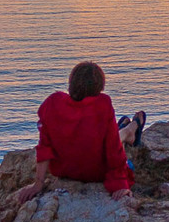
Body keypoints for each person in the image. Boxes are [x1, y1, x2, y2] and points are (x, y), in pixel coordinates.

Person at [13, 63, 138, 206]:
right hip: (97, 173)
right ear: (99, 86)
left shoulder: (53, 103)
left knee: (114, 136)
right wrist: (120, 184)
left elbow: (44, 146)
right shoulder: (102, 104)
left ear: (71, 82)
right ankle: (131, 128)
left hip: (65, 171)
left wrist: (38, 184)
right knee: (124, 152)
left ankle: (129, 129)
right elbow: (113, 148)